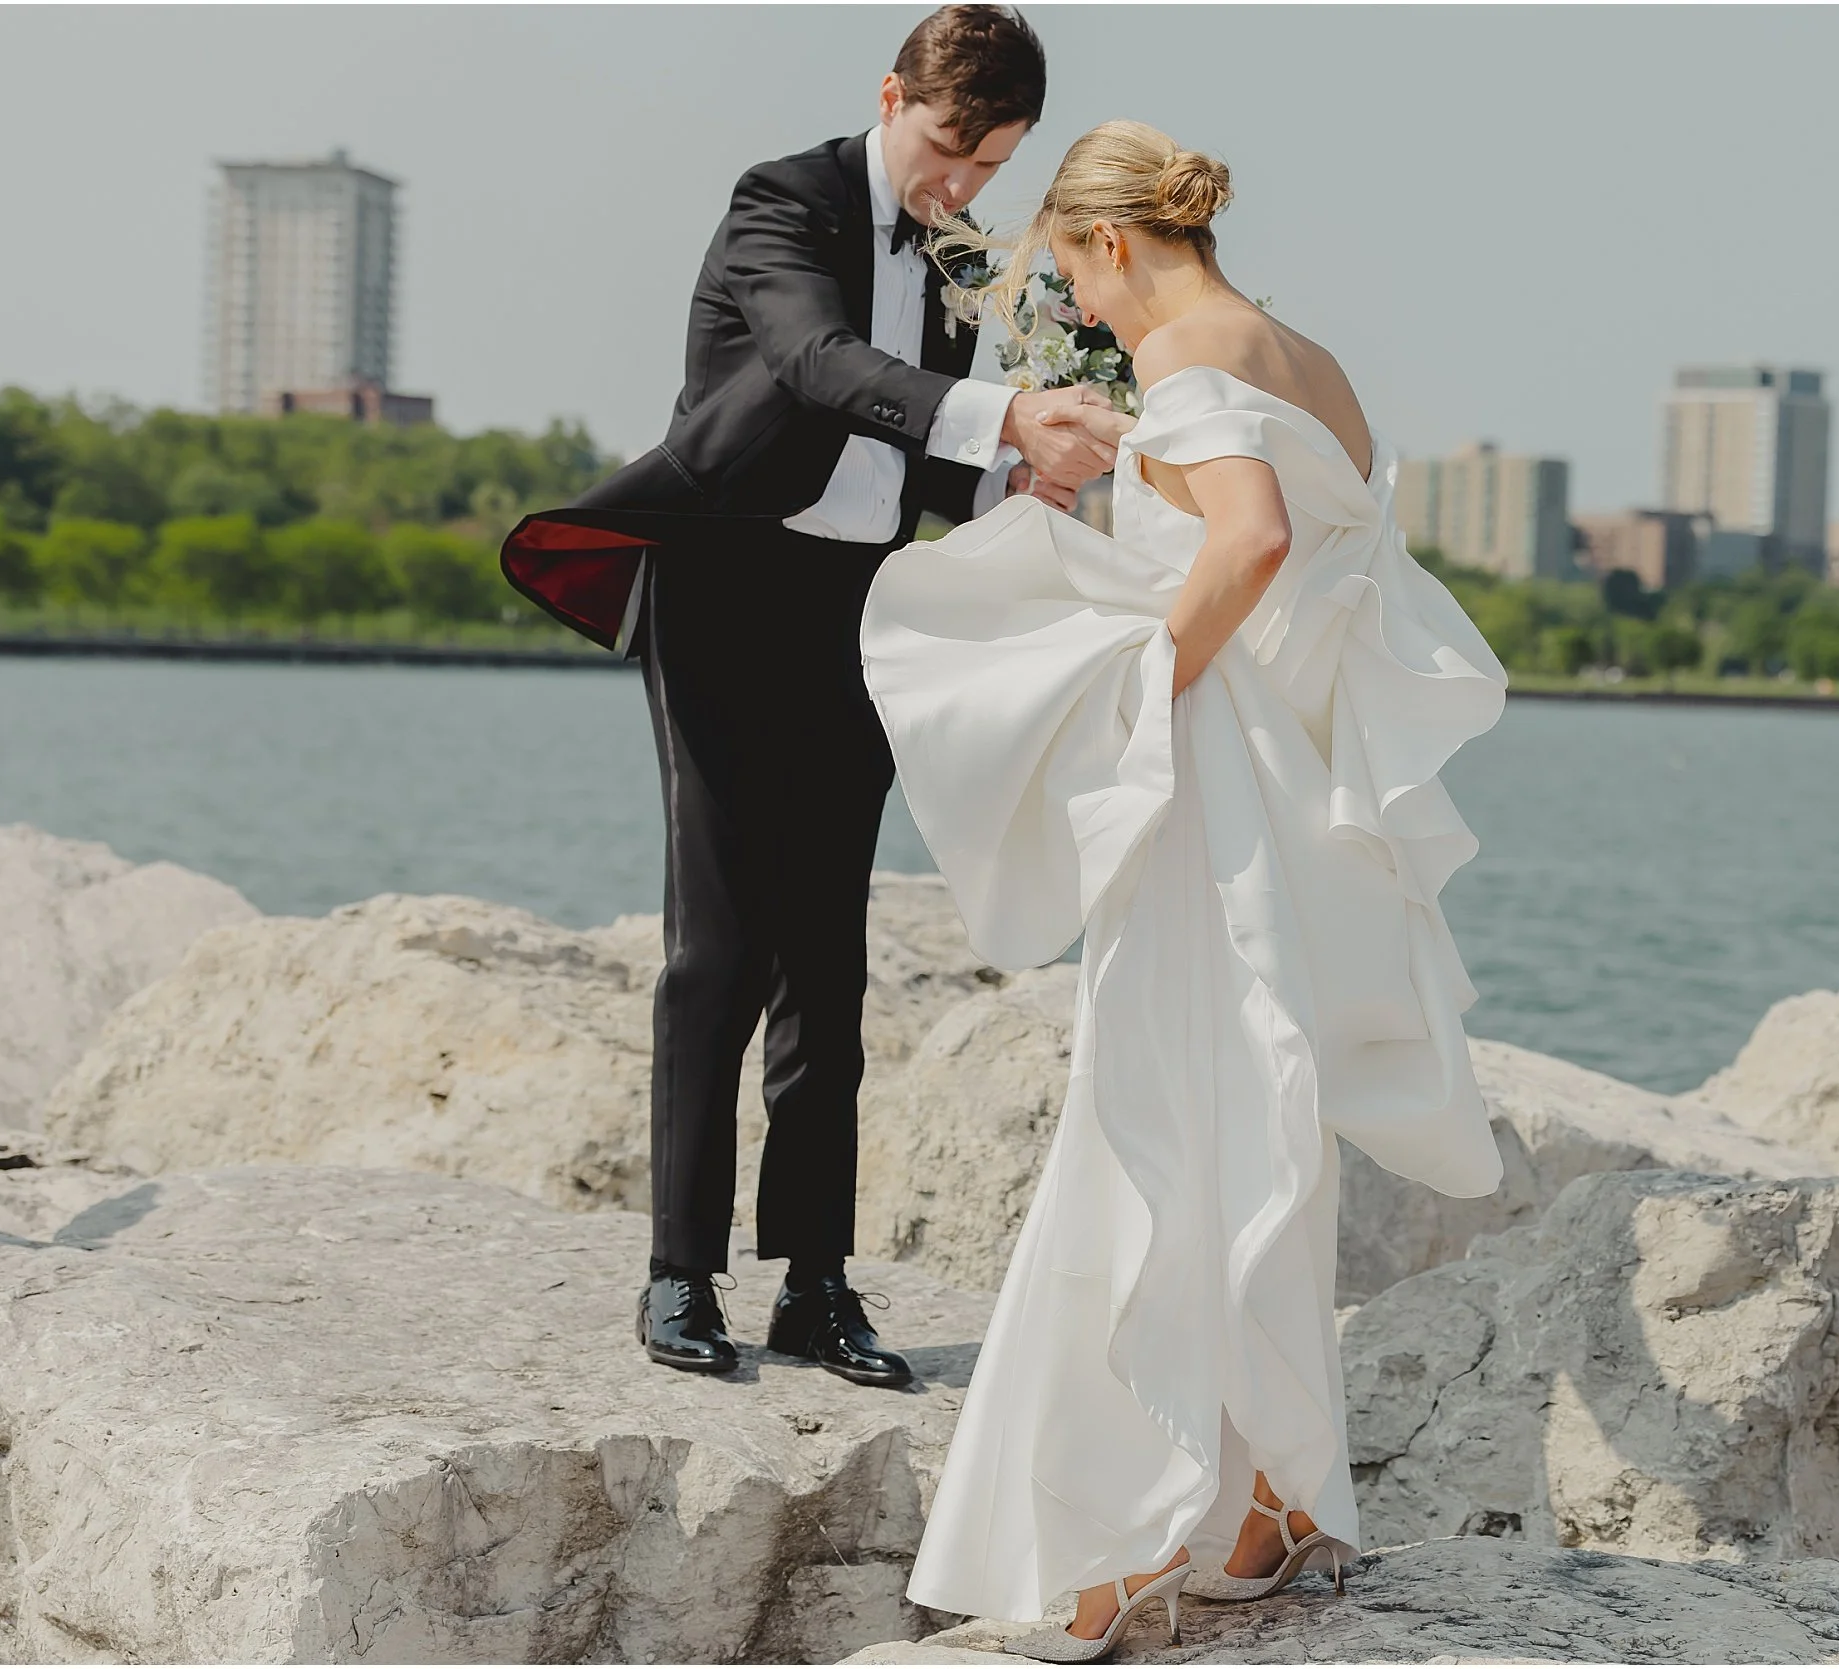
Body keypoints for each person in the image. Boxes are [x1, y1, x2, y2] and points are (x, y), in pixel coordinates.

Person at [859, 122, 1508, 1660]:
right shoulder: (1314, 361)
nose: (1090, 314)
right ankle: (1267, 1503)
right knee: (1254, 1123)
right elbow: (1327, 552)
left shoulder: (1190, 362)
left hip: (1212, 775)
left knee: (1154, 1125)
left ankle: (1113, 1537)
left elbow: (1253, 538)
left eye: (1075, 278)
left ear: (1105, 247)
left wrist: (1141, 688)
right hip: (1287, 778)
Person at [498, 6, 1136, 1386]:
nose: (961, 188)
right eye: (950, 150)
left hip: (862, 613)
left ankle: (816, 1284)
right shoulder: (780, 201)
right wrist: (1008, 418)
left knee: (828, 962)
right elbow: (821, 370)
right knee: (718, 944)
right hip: (725, 591)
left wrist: (1025, 476)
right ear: (892, 95)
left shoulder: (955, 251)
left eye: (989, 167)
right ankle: (678, 1274)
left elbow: (918, 458)